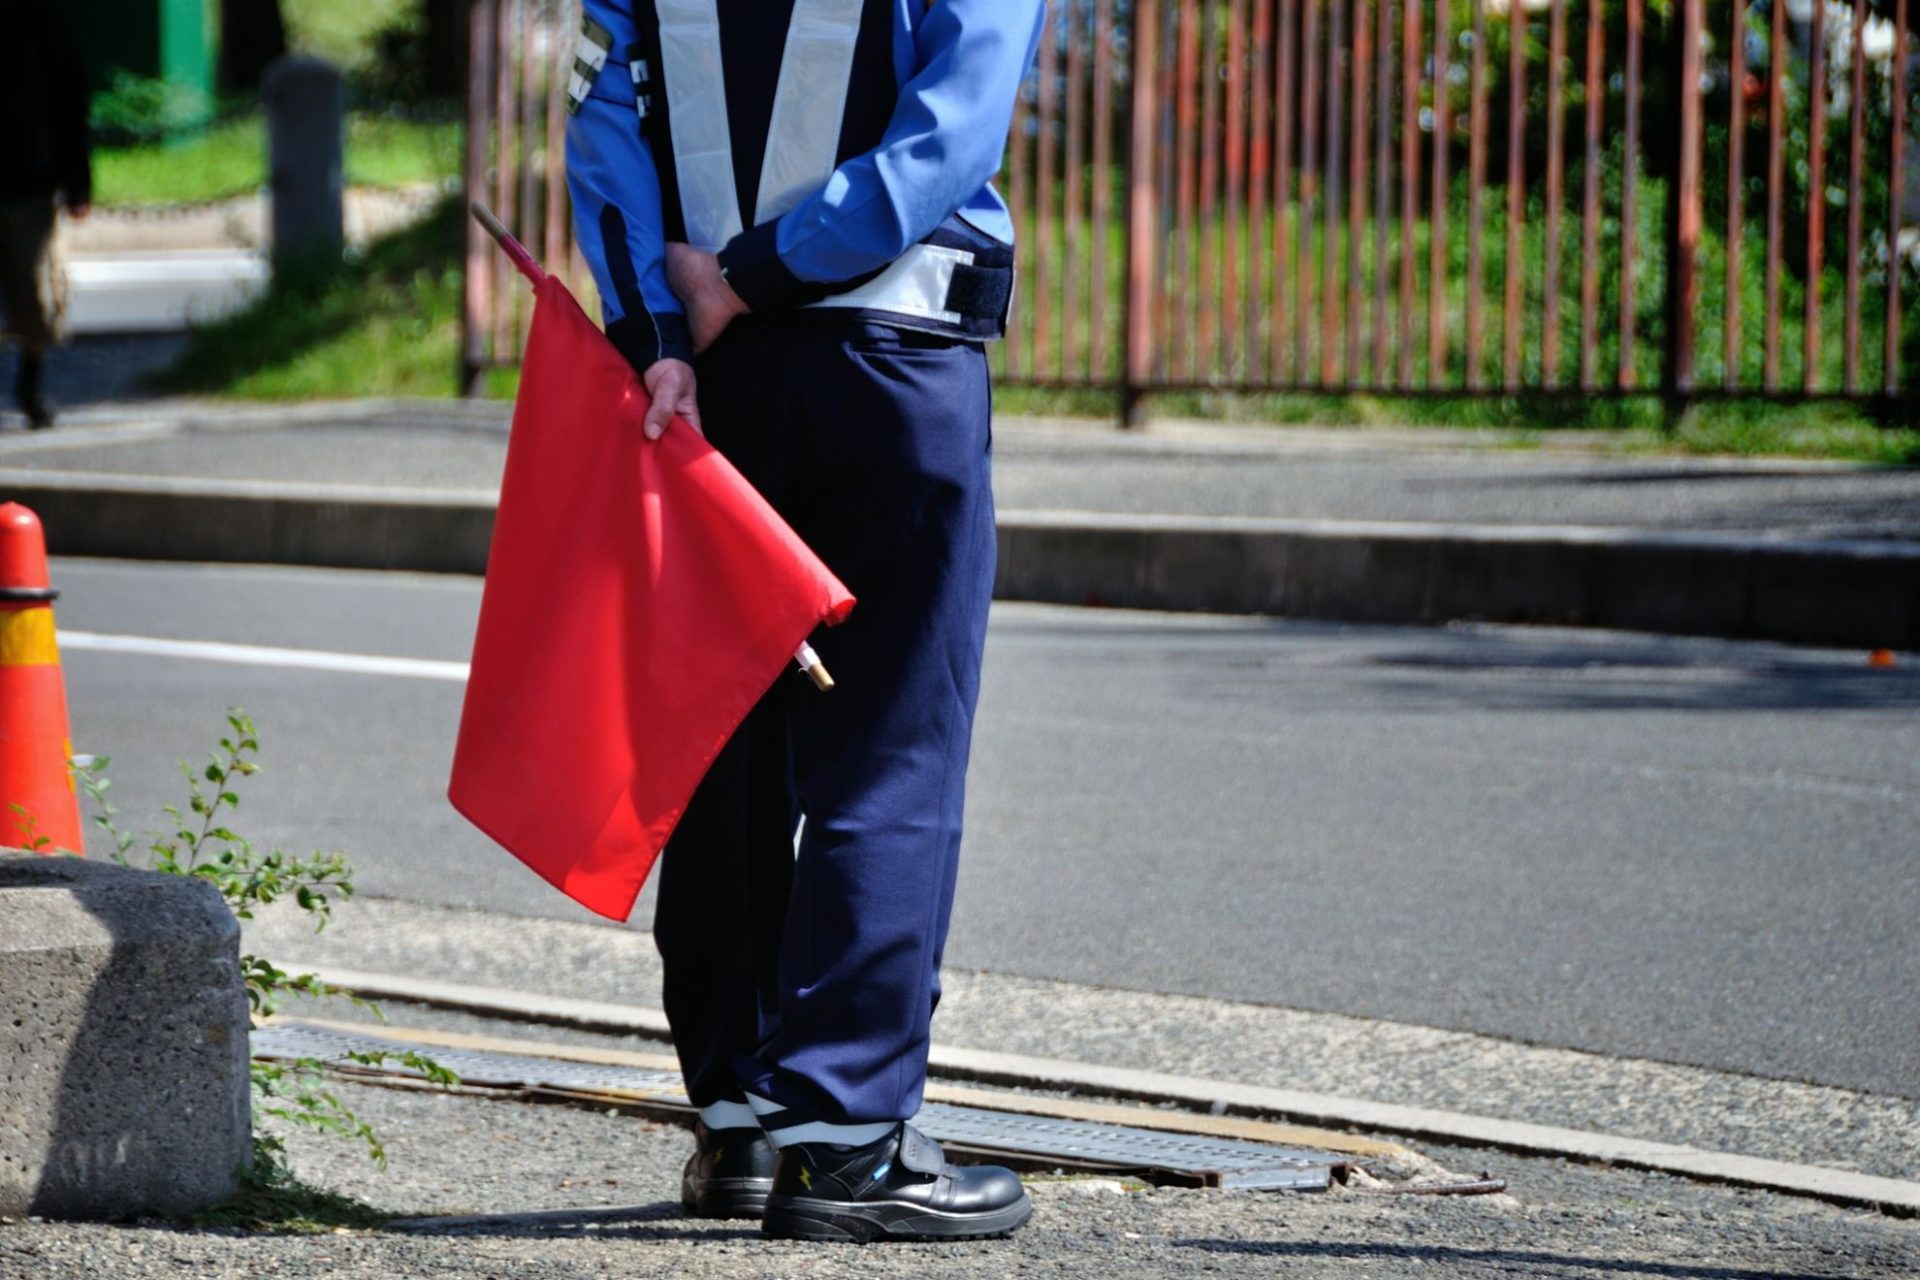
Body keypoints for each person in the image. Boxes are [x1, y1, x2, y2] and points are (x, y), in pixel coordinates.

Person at [565, 0, 1044, 1244]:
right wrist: (760, 273)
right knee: (890, 739)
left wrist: (662, 328)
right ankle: (845, 1137)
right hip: (895, 358)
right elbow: (952, 132)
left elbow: (604, 125)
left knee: (723, 740)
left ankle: (738, 1117)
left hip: (713, 376)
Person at [0, 0, 91, 430]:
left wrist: (78, 181)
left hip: (32, 177)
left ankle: (30, 385)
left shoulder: (45, 22)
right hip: (27, 170)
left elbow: (70, 101)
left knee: (38, 293)